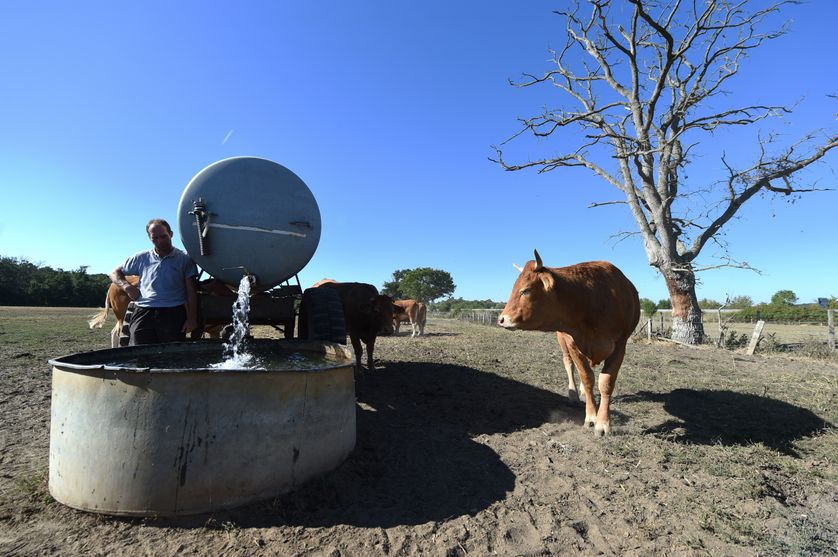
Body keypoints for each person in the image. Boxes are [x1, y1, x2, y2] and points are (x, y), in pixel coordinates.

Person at [109, 219, 199, 345]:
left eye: (163, 236)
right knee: (139, 353)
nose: (160, 241)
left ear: (171, 234)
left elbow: (191, 290)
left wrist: (191, 319)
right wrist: (127, 287)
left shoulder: (184, 259)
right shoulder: (141, 258)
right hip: (143, 311)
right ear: (149, 237)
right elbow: (114, 273)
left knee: (171, 356)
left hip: (172, 313)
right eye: (155, 237)